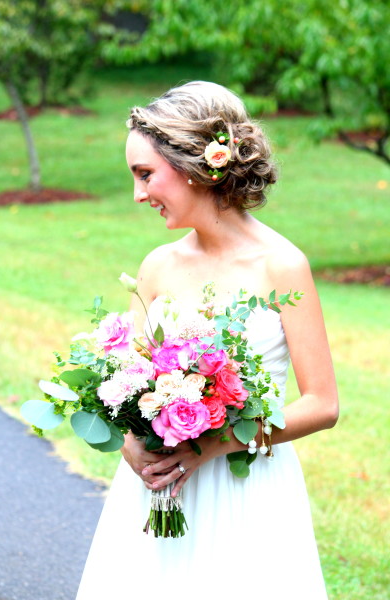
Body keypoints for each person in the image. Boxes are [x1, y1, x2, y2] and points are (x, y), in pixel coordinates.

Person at [76, 81, 338, 599]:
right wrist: (132, 442)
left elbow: (322, 404)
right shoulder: (157, 265)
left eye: (146, 174)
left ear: (198, 164)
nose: (138, 194)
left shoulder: (281, 266)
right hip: (157, 491)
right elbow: (128, 377)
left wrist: (213, 446)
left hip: (246, 489)